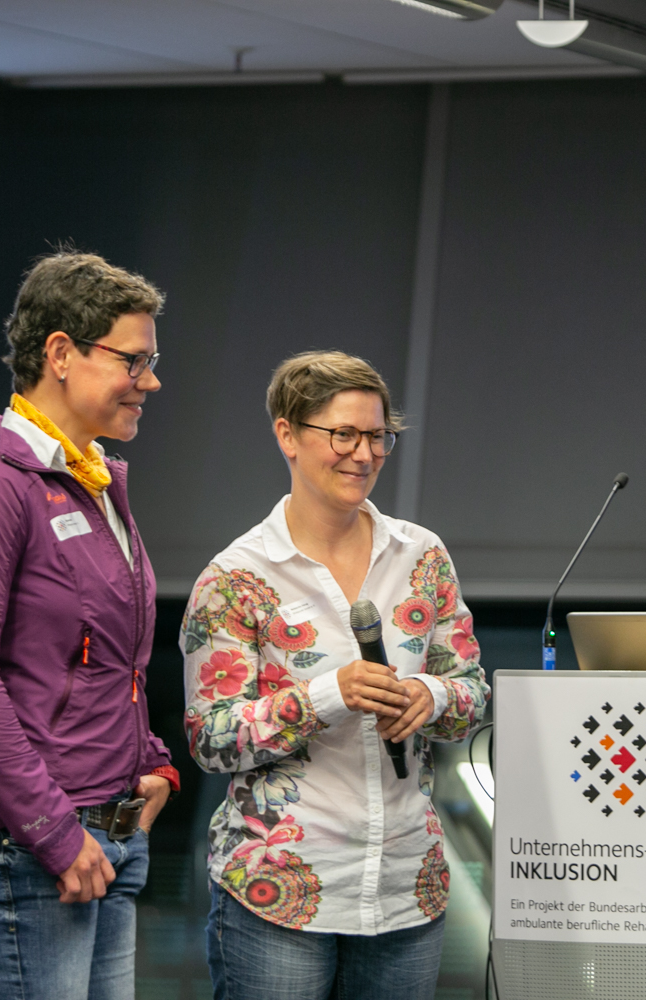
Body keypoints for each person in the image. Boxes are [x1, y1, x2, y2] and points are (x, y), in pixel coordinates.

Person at [182, 350, 489, 1000]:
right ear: (288, 435)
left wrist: (428, 697)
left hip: (407, 886)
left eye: (378, 436)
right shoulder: (235, 579)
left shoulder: (422, 556)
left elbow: (472, 694)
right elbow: (211, 738)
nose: (364, 454)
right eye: (343, 434)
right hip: (280, 891)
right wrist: (330, 695)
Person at [0, 251, 181, 1000]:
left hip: (108, 836)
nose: (152, 381)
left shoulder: (94, 482)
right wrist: (55, 833)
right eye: (135, 359)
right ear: (60, 353)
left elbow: (110, 660)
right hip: (27, 845)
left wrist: (154, 761)